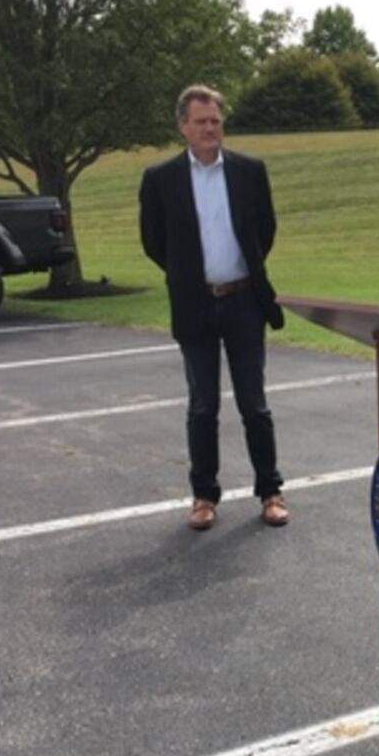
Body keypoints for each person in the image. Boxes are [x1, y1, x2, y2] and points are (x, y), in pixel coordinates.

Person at [139, 84, 289, 531]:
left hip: (245, 301)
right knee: (203, 406)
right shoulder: (161, 179)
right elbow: (154, 242)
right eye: (201, 122)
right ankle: (204, 497)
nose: (210, 128)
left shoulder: (249, 171)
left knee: (254, 404)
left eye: (216, 121)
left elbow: (266, 228)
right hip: (196, 305)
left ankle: (271, 491)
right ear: (183, 126)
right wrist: (190, 274)